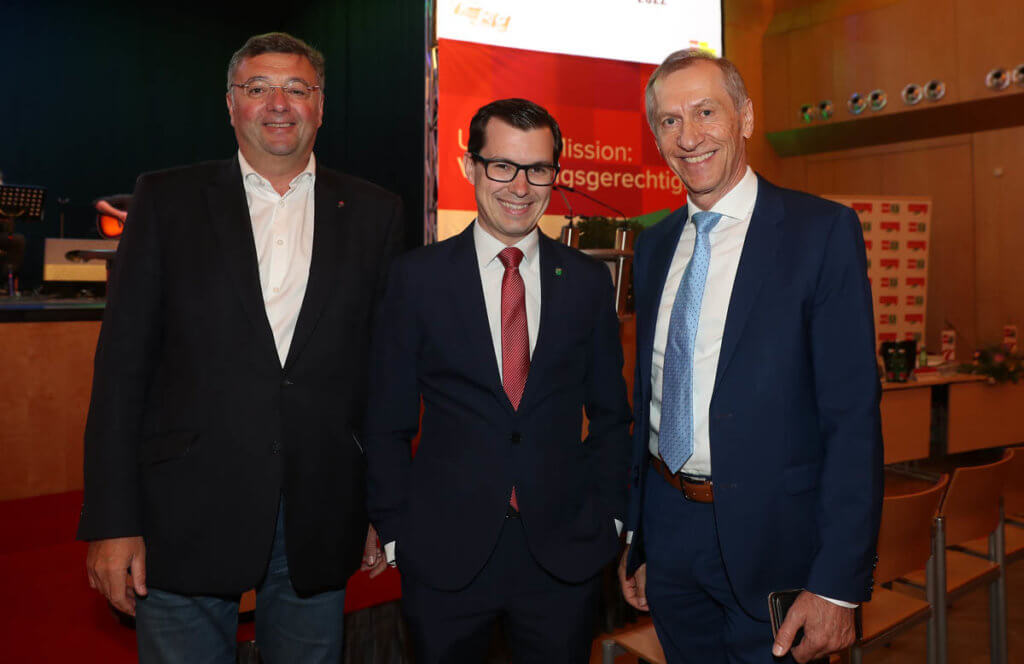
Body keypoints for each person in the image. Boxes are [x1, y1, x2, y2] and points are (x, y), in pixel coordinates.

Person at [77, 32, 402, 663]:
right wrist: (113, 521)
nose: (278, 103)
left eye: (297, 88)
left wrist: (377, 505)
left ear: (321, 106)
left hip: (319, 513)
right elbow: (121, 372)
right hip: (183, 510)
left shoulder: (375, 211)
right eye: (258, 88)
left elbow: (379, 376)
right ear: (231, 104)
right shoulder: (166, 200)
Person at [617, 49, 883, 664]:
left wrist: (837, 586)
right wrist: (641, 534)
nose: (689, 137)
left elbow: (852, 420)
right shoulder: (654, 247)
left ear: (746, 117)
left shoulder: (822, 233)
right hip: (670, 534)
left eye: (706, 112)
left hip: (777, 544)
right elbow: (650, 397)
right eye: (669, 121)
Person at [363, 98, 632, 663]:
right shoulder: (417, 278)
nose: (521, 186)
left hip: (563, 555)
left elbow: (612, 416)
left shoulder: (586, 282)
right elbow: (387, 419)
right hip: (443, 554)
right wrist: (395, 532)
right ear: (471, 167)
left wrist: (609, 517)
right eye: (503, 166)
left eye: (538, 169)